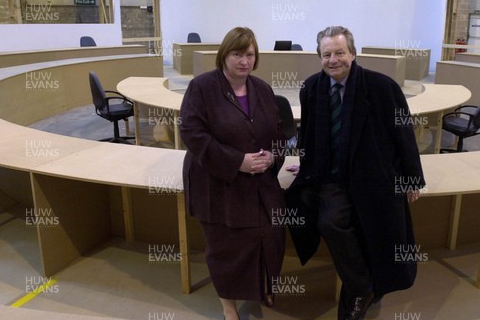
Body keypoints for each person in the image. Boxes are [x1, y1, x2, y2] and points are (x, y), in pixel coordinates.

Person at [284, 26, 425, 320]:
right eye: (326, 54)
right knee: (330, 222)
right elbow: (308, 133)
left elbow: (404, 136)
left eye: (339, 53)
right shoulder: (311, 88)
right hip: (332, 177)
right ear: (318, 56)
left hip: (373, 176)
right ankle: (361, 287)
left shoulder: (383, 88)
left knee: (377, 229)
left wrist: (413, 178)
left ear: (353, 53)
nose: (333, 60)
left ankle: (366, 288)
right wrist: (306, 164)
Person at [179, 27, 286, 320]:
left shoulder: (262, 89)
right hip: (216, 182)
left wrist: (273, 155)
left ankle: (261, 286)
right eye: (237, 54)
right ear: (224, 55)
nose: (244, 61)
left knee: (270, 233)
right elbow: (191, 132)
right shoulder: (202, 87)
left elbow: (278, 133)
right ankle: (229, 307)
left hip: (258, 181)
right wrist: (237, 161)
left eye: (249, 54)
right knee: (225, 247)